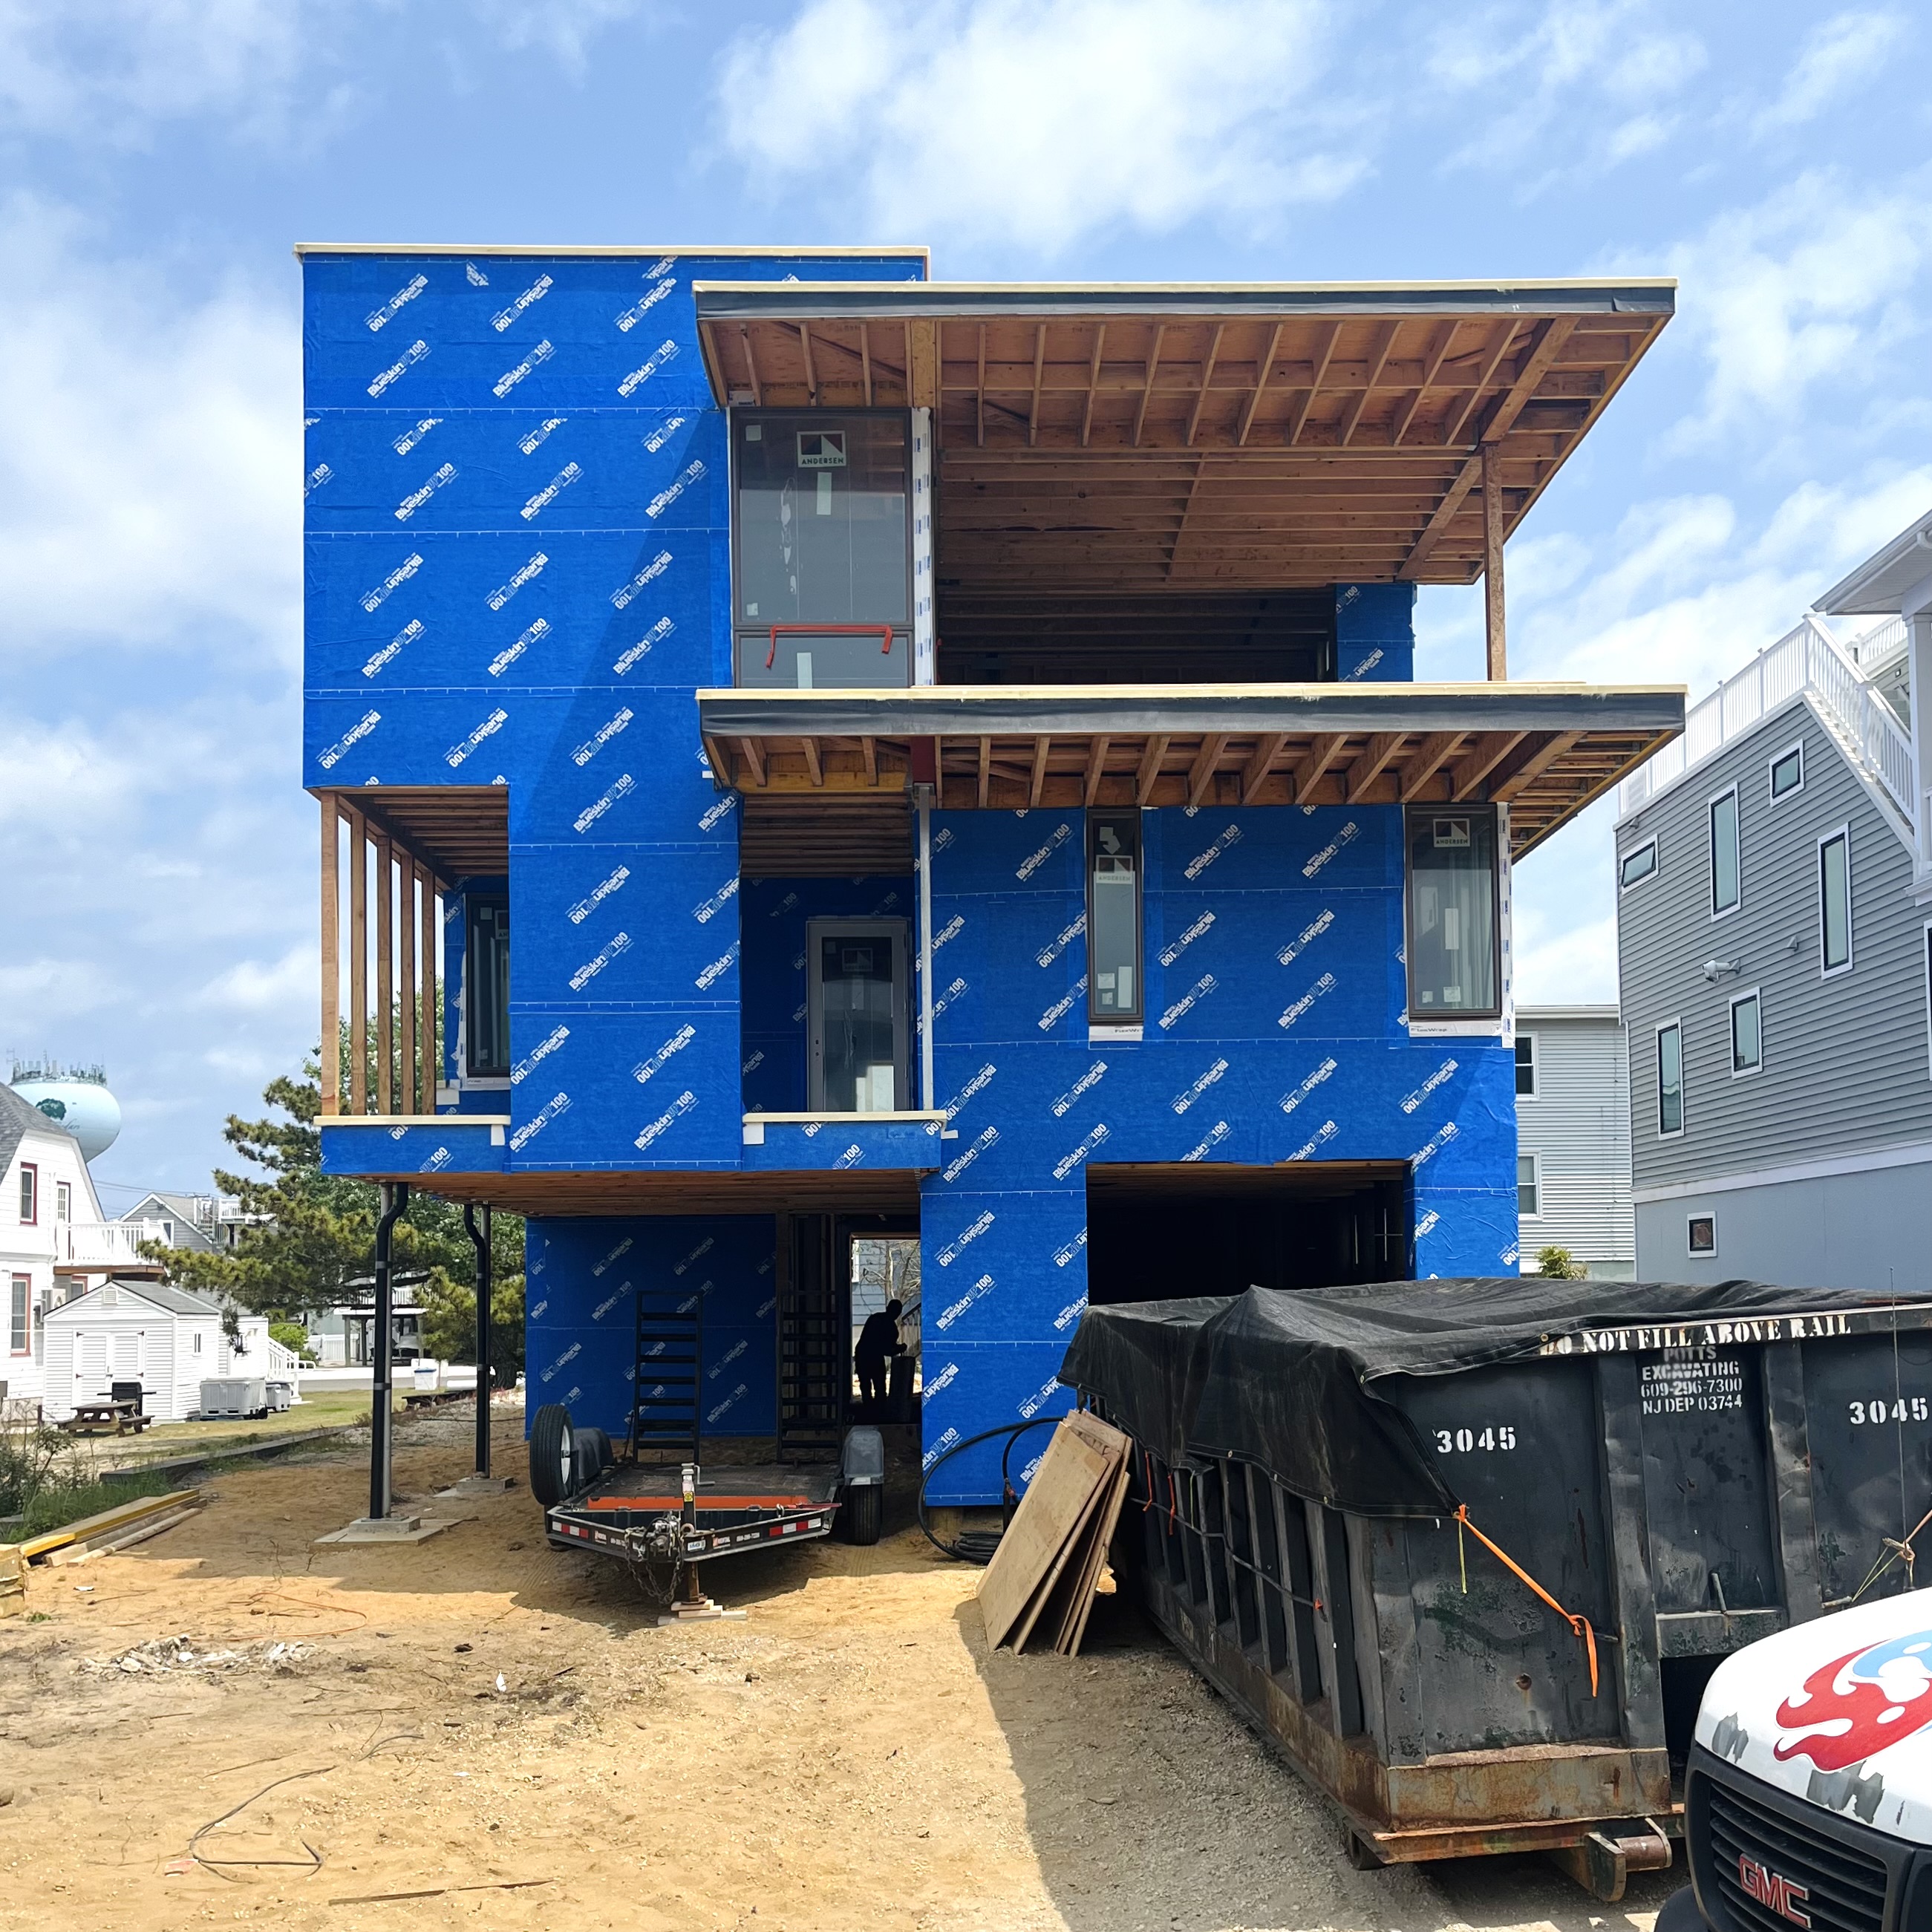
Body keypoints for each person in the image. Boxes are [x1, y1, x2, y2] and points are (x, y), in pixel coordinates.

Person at [854, 1299, 905, 1414]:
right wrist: (899, 1348)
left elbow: (886, 1348)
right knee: (879, 1386)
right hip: (872, 1356)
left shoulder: (875, 1318)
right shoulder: (891, 1328)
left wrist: (896, 1348)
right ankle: (878, 1411)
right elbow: (887, 1350)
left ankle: (869, 1410)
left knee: (867, 1385)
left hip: (863, 1354)